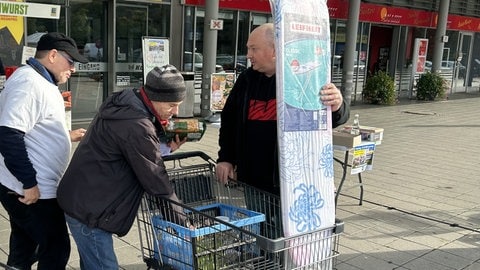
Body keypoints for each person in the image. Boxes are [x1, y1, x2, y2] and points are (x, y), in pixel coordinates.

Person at [215, 23, 350, 236]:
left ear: (275, 50)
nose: (248, 54)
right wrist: (225, 157)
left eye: (253, 49)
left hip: (292, 182)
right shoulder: (246, 80)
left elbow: (331, 118)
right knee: (262, 236)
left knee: (289, 240)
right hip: (254, 180)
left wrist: (338, 104)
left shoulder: (304, 77)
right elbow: (229, 120)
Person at [57, 65, 188, 270]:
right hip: (91, 211)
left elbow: (133, 153)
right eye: (172, 104)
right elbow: (156, 179)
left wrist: (165, 147)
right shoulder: (136, 123)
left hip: (84, 199)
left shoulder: (128, 102)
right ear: (154, 97)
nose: (176, 111)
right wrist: (182, 222)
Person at [0, 32, 88, 270]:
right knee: (56, 249)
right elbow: (9, 135)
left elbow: (30, 128)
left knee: (25, 245)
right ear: (52, 55)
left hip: (29, 186)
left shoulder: (40, 81)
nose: (73, 69)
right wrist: (29, 184)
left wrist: (65, 136)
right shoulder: (30, 83)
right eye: (71, 62)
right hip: (31, 189)